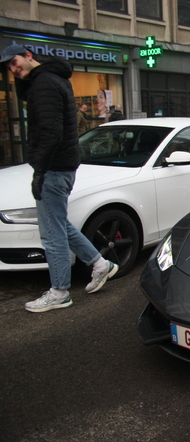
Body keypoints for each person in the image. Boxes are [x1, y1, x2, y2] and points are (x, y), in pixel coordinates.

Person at [1, 43, 118, 313]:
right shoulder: (49, 80)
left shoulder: (44, 84)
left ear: (29, 56)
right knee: (59, 224)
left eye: (15, 62)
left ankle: (59, 292)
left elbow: (50, 132)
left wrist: (39, 169)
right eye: (9, 67)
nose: (13, 69)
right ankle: (100, 264)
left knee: (51, 234)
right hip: (60, 165)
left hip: (53, 168)